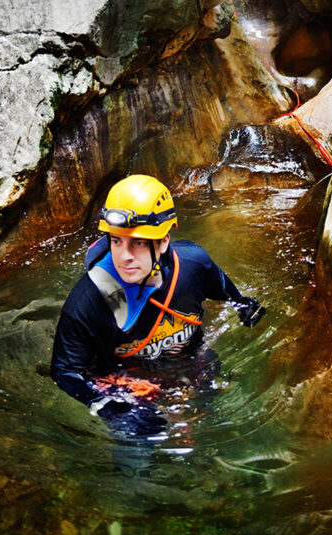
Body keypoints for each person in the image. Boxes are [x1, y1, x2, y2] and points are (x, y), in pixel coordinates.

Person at [51, 174, 264, 436]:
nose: (125, 256)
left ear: (163, 241)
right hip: (123, 376)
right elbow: (65, 372)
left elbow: (233, 297)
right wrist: (107, 405)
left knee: (220, 402)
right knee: (144, 431)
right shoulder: (88, 301)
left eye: (138, 242)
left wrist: (244, 308)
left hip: (188, 358)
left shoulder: (194, 265)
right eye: (116, 241)